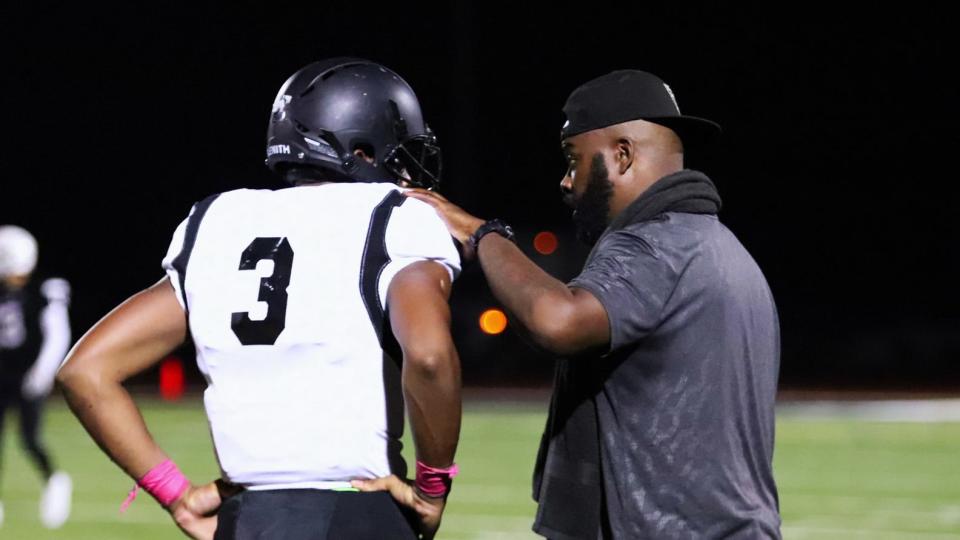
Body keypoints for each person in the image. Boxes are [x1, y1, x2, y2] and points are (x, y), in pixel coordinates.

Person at [56, 58, 463, 540]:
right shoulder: (398, 216)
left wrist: (176, 494)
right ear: (361, 148)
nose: (405, 167)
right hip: (358, 508)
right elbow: (430, 355)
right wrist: (433, 486)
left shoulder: (218, 220)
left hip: (247, 518)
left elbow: (85, 371)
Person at [404, 70, 781, 539]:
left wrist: (482, 236)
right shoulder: (717, 246)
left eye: (572, 160)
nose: (565, 182)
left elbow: (556, 321)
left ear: (621, 155)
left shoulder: (657, 242)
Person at [0, 225, 72, 529]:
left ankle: (55, 480)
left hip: (28, 375)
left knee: (29, 438)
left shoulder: (44, 289)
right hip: (2, 375)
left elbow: (57, 334)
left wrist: (43, 371)